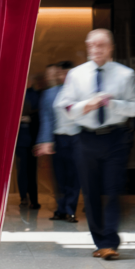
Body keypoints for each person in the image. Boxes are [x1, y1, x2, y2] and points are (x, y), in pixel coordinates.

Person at [61, 29, 135, 259]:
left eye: (102, 45)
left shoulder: (125, 74)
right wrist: (86, 106)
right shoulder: (76, 75)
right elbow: (65, 107)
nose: (97, 49)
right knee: (91, 193)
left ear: (111, 47)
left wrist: (112, 103)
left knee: (114, 189)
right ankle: (100, 241)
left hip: (115, 137)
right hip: (86, 138)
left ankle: (110, 242)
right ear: (88, 47)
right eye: (93, 45)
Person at [34, 61, 80, 222]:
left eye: (67, 73)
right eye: (62, 73)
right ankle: (61, 209)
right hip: (58, 139)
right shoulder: (50, 93)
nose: (64, 76)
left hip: (76, 138)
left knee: (74, 176)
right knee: (59, 176)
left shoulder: (81, 93)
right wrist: (45, 140)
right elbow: (46, 118)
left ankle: (70, 210)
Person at [15, 74, 41, 210]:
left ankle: (34, 199)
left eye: (28, 78)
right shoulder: (15, 94)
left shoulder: (36, 95)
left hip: (33, 139)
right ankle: (23, 197)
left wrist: (30, 119)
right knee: (22, 171)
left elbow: (39, 115)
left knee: (32, 171)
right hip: (19, 140)